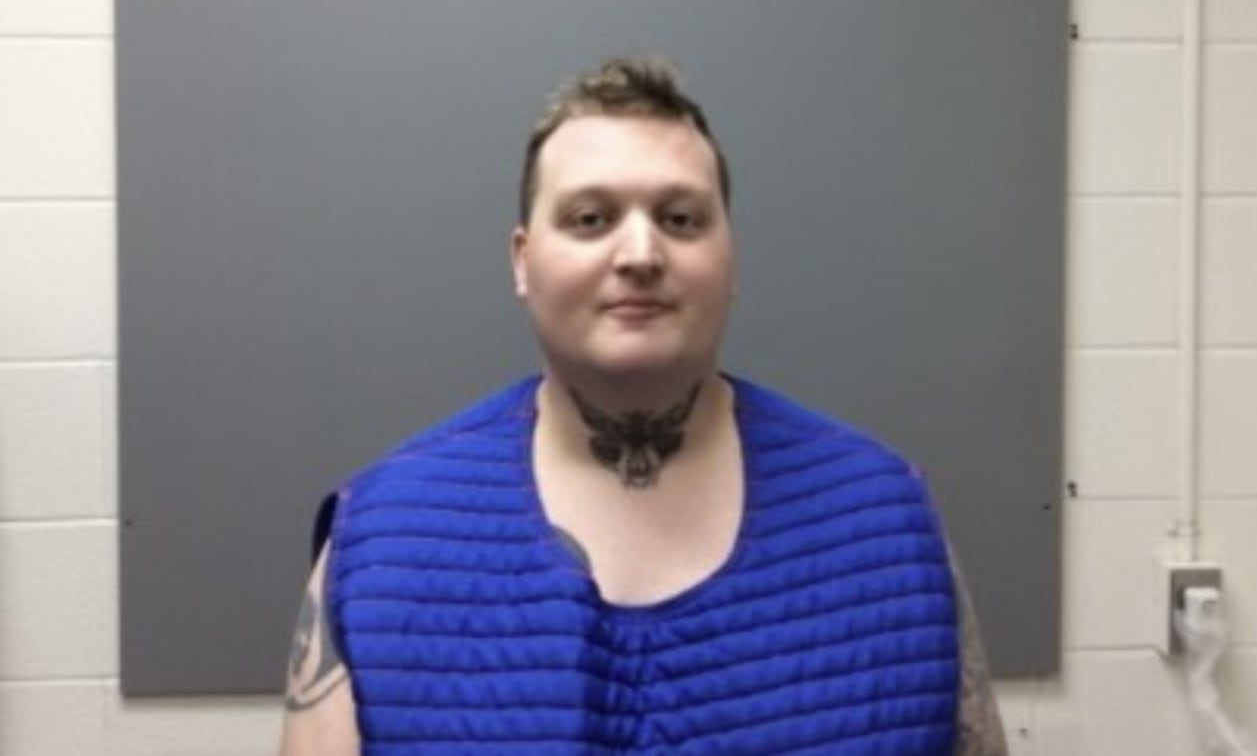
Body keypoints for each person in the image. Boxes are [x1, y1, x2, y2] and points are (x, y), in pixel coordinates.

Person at [277, 55, 1008, 755]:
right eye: (591, 218)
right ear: (522, 260)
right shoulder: (381, 539)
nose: (640, 254)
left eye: (681, 219)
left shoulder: (889, 522)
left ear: (730, 258)